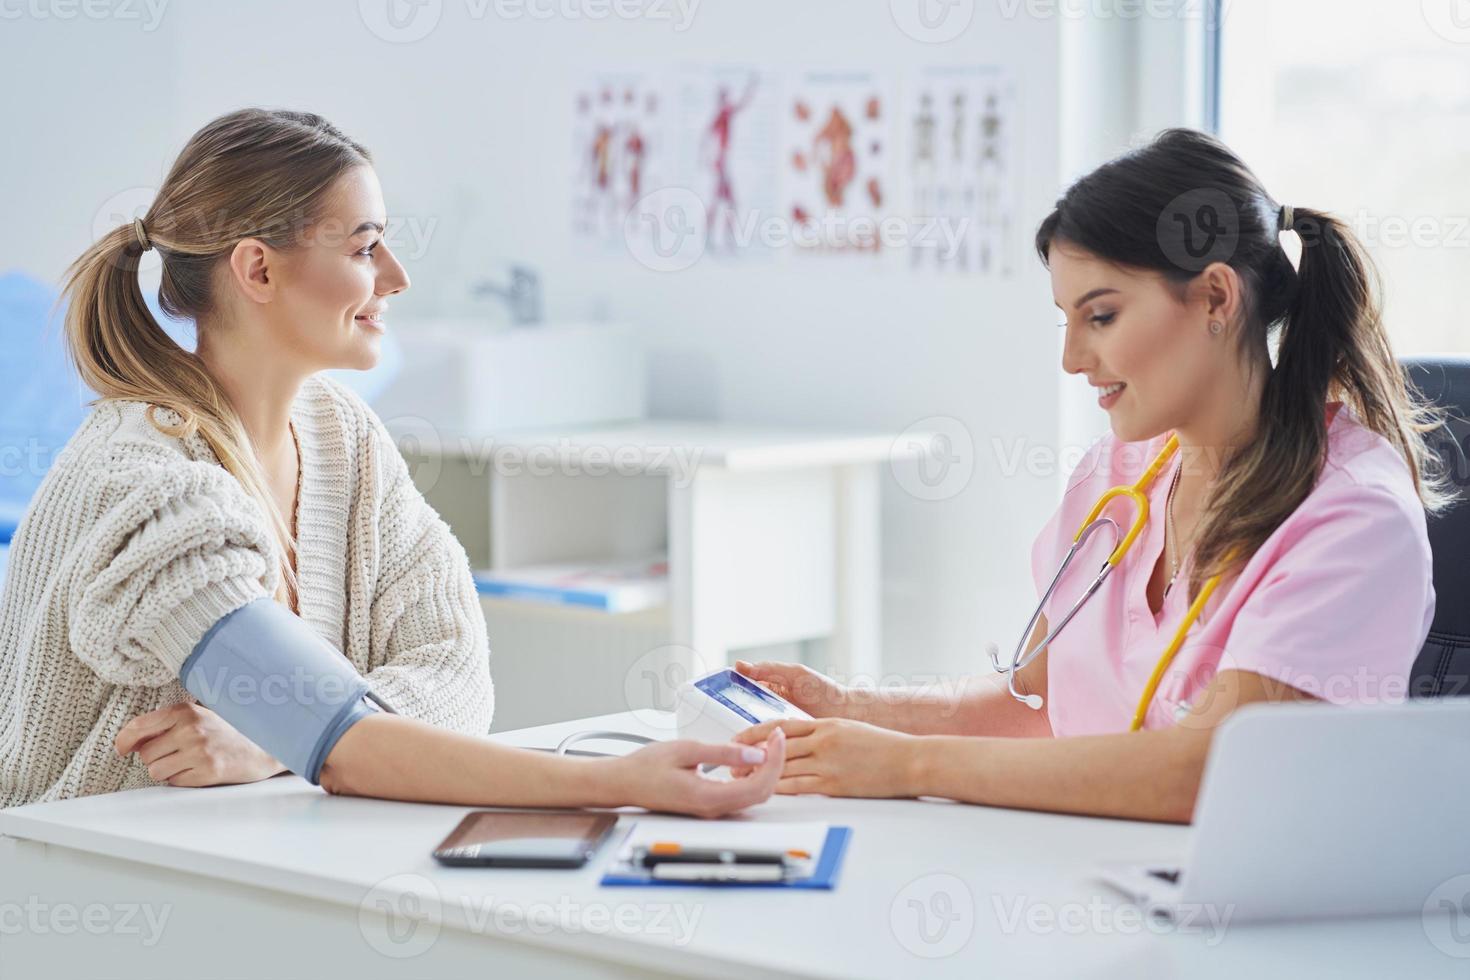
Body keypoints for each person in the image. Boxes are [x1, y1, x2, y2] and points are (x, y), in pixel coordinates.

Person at [0, 108, 783, 813]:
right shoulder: (147, 487)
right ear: (258, 270)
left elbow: (458, 676)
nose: (398, 279)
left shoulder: (345, 438)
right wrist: (618, 784)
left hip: (235, 854)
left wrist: (275, 741)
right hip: (70, 877)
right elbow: (341, 744)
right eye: (367, 248)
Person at [732, 128, 1445, 824]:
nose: (1072, 359)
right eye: (1065, 322)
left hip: (1250, 917)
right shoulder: (1119, 473)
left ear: (1217, 300)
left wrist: (907, 766)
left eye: (1100, 316)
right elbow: (1035, 703)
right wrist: (850, 710)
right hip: (1089, 875)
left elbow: (1213, 773)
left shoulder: (1355, 519)